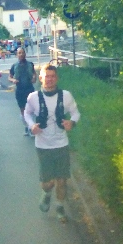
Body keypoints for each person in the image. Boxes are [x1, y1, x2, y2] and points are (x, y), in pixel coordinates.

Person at [23, 64, 81, 223]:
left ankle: (60, 207)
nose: (49, 79)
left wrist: (72, 123)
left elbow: (76, 113)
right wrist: (31, 126)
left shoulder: (66, 96)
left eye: (53, 76)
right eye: (46, 76)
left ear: (57, 78)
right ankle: (47, 193)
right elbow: (27, 113)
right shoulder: (33, 97)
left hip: (61, 144)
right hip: (43, 145)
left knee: (62, 180)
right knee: (47, 183)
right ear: (41, 78)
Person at [9, 47, 38, 136]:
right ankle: (26, 126)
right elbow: (9, 77)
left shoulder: (30, 64)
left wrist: (34, 78)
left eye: (22, 53)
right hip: (20, 90)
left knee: (31, 109)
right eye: (19, 53)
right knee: (23, 110)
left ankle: (31, 127)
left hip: (29, 89)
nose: (21, 54)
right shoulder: (14, 66)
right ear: (17, 55)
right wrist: (13, 80)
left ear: (25, 54)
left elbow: (34, 74)